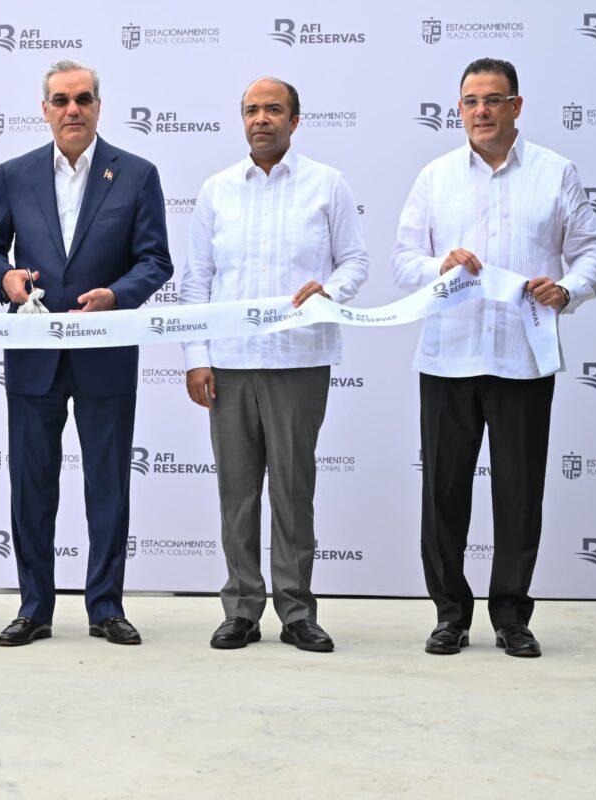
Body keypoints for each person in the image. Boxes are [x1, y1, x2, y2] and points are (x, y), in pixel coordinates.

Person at [392, 58, 596, 658]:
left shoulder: (555, 172)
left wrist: (567, 290)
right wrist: (439, 265)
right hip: (447, 357)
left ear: (517, 106)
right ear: (458, 109)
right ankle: (449, 614)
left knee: (518, 492)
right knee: (442, 494)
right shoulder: (435, 177)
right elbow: (402, 259)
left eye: (493, 99)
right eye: (470, 101)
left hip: (523, 356)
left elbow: (592, 251)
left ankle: (512, 616)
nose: (480, 111)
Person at [0, 59, 173, 646]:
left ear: (98, 106)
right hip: (34, 355)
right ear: (44, 109)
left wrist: (117, 295)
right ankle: (34, 607)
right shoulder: (14, 174)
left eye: (83, 99)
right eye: (60, 100)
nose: (72, 109)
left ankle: (105, 608)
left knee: (107, 485)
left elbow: (156, 260)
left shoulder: (136, 174)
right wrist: (6, 280)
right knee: (31, 486)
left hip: (104, 352)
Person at [180, 78, 369, 653]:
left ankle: (296, 612)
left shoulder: (326, 185)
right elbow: (197, 281)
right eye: (252, 110)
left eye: (274, 110)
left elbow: (355, 262)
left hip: (299, 360)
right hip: (230, 364)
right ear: (242, 120)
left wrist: (329, 290)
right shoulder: (217, 190)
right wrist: (196, 357)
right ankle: (241, 607)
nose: (262, 119)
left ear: (295, 119)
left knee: (293, 489)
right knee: (237, 493)